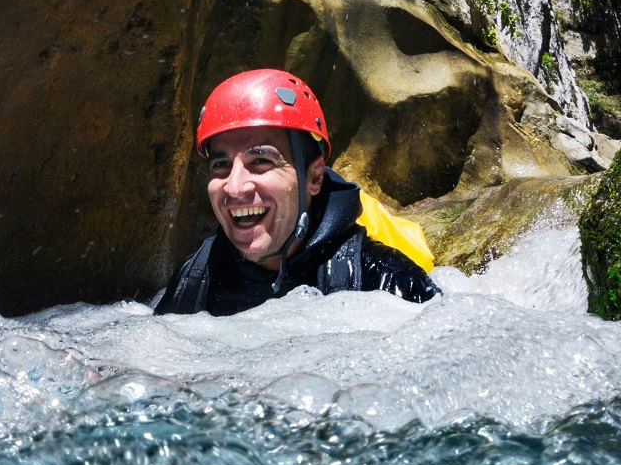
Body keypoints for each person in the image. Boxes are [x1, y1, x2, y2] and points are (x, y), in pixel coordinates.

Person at [155, 69, 439, 316]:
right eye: (221, 165)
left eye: (261, 162)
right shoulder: (195, 282)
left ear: (314, 177)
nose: (235, 186)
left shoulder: (384, 279)